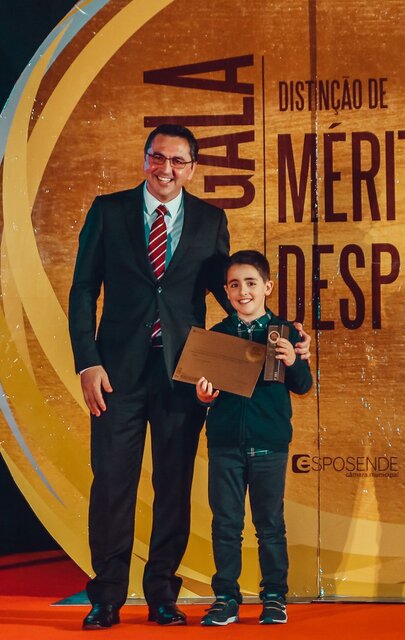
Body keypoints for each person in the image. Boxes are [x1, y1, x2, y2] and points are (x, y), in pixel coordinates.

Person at [68, 125, 310, 630]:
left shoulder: (210, 220)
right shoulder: (108, 211)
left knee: (173, 487)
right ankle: (106, 597)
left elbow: (231, 294)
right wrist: (87, 362)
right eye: (158, 158)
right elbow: (84, 289)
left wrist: (284, 334)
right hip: (115, 375)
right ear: (145, 160)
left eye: (178, 161)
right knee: (111, 485)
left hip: (183, 373)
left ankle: (162, 594)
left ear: (192, 169)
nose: (167, 169)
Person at [196, 250, 313, 626]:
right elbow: (203, 392)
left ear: (267, 287)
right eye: (234, 285)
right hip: (225, 443)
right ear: (226, 291)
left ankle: (274, 596)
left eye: (250, 283)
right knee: (226, 524)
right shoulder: (217, 336)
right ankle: (226, 598)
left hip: (270, 443)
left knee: (270, 525)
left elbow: (303, 385)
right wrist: (203, 396)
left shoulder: (287, 333)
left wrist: (293, 361)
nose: (242, 291)